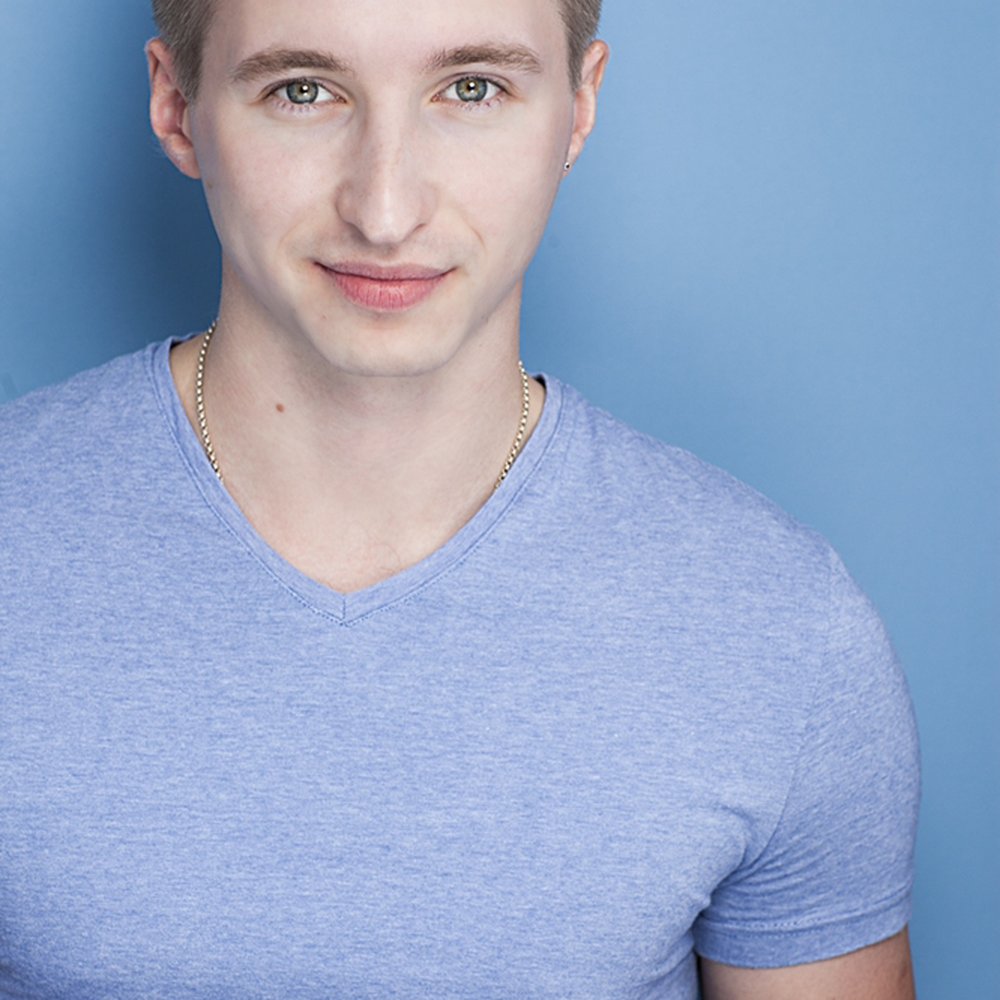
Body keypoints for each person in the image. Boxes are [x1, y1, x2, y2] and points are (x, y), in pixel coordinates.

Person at [0, 0, 919, 996]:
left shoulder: (779, 629)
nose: (385, 209)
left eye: (472, 89)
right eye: (303, 91)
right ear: (177, 108)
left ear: (578, 108)